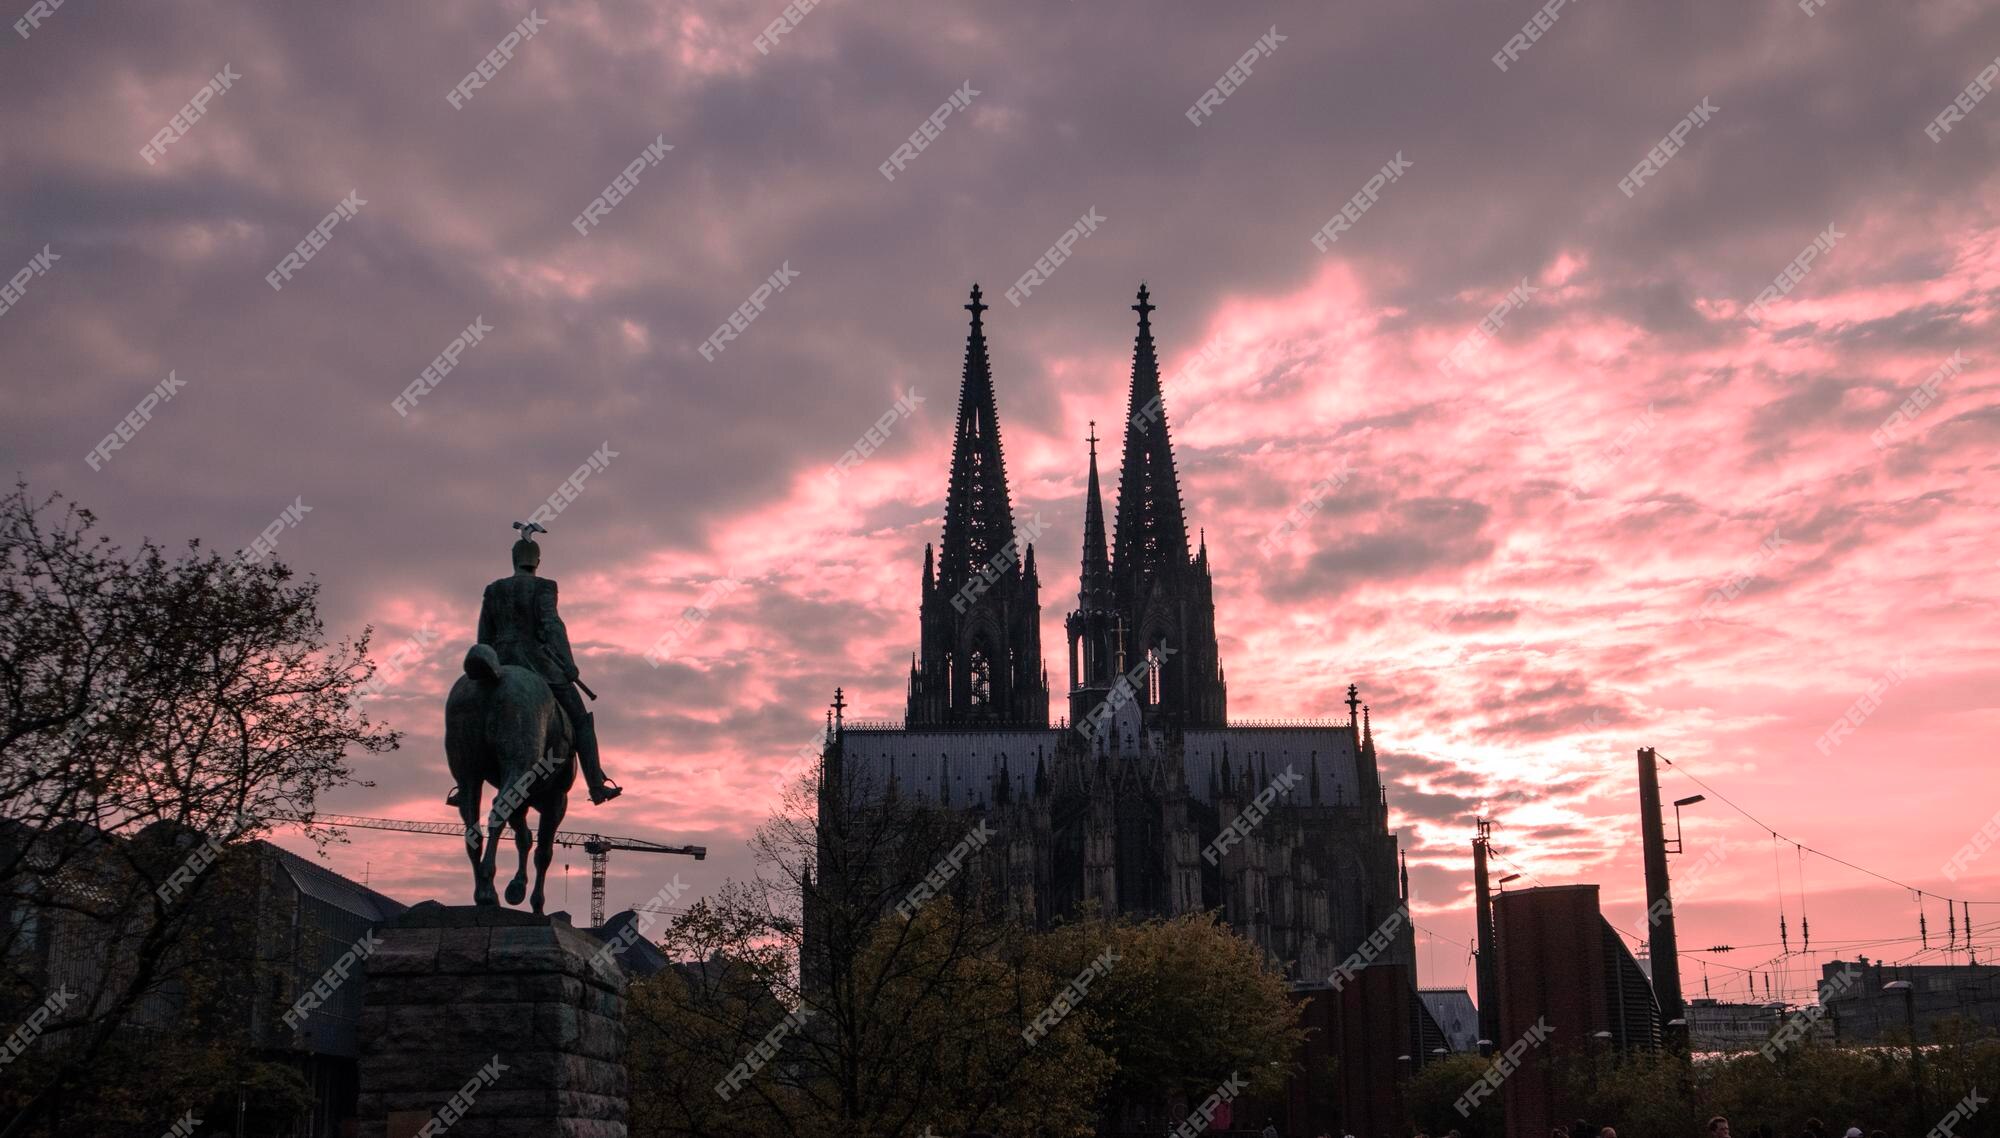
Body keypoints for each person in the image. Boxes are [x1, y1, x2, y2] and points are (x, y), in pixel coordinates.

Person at [447, 533, 622, 806]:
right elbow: (552, 625)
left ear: (515, 559)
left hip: (500, 664)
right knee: (581, 720)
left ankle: (463, 787)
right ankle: (597, 786)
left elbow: (483, 637)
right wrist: (569, 664)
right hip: (540, 665)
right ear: (537, 561)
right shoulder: (545, 587)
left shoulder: (494, 589)